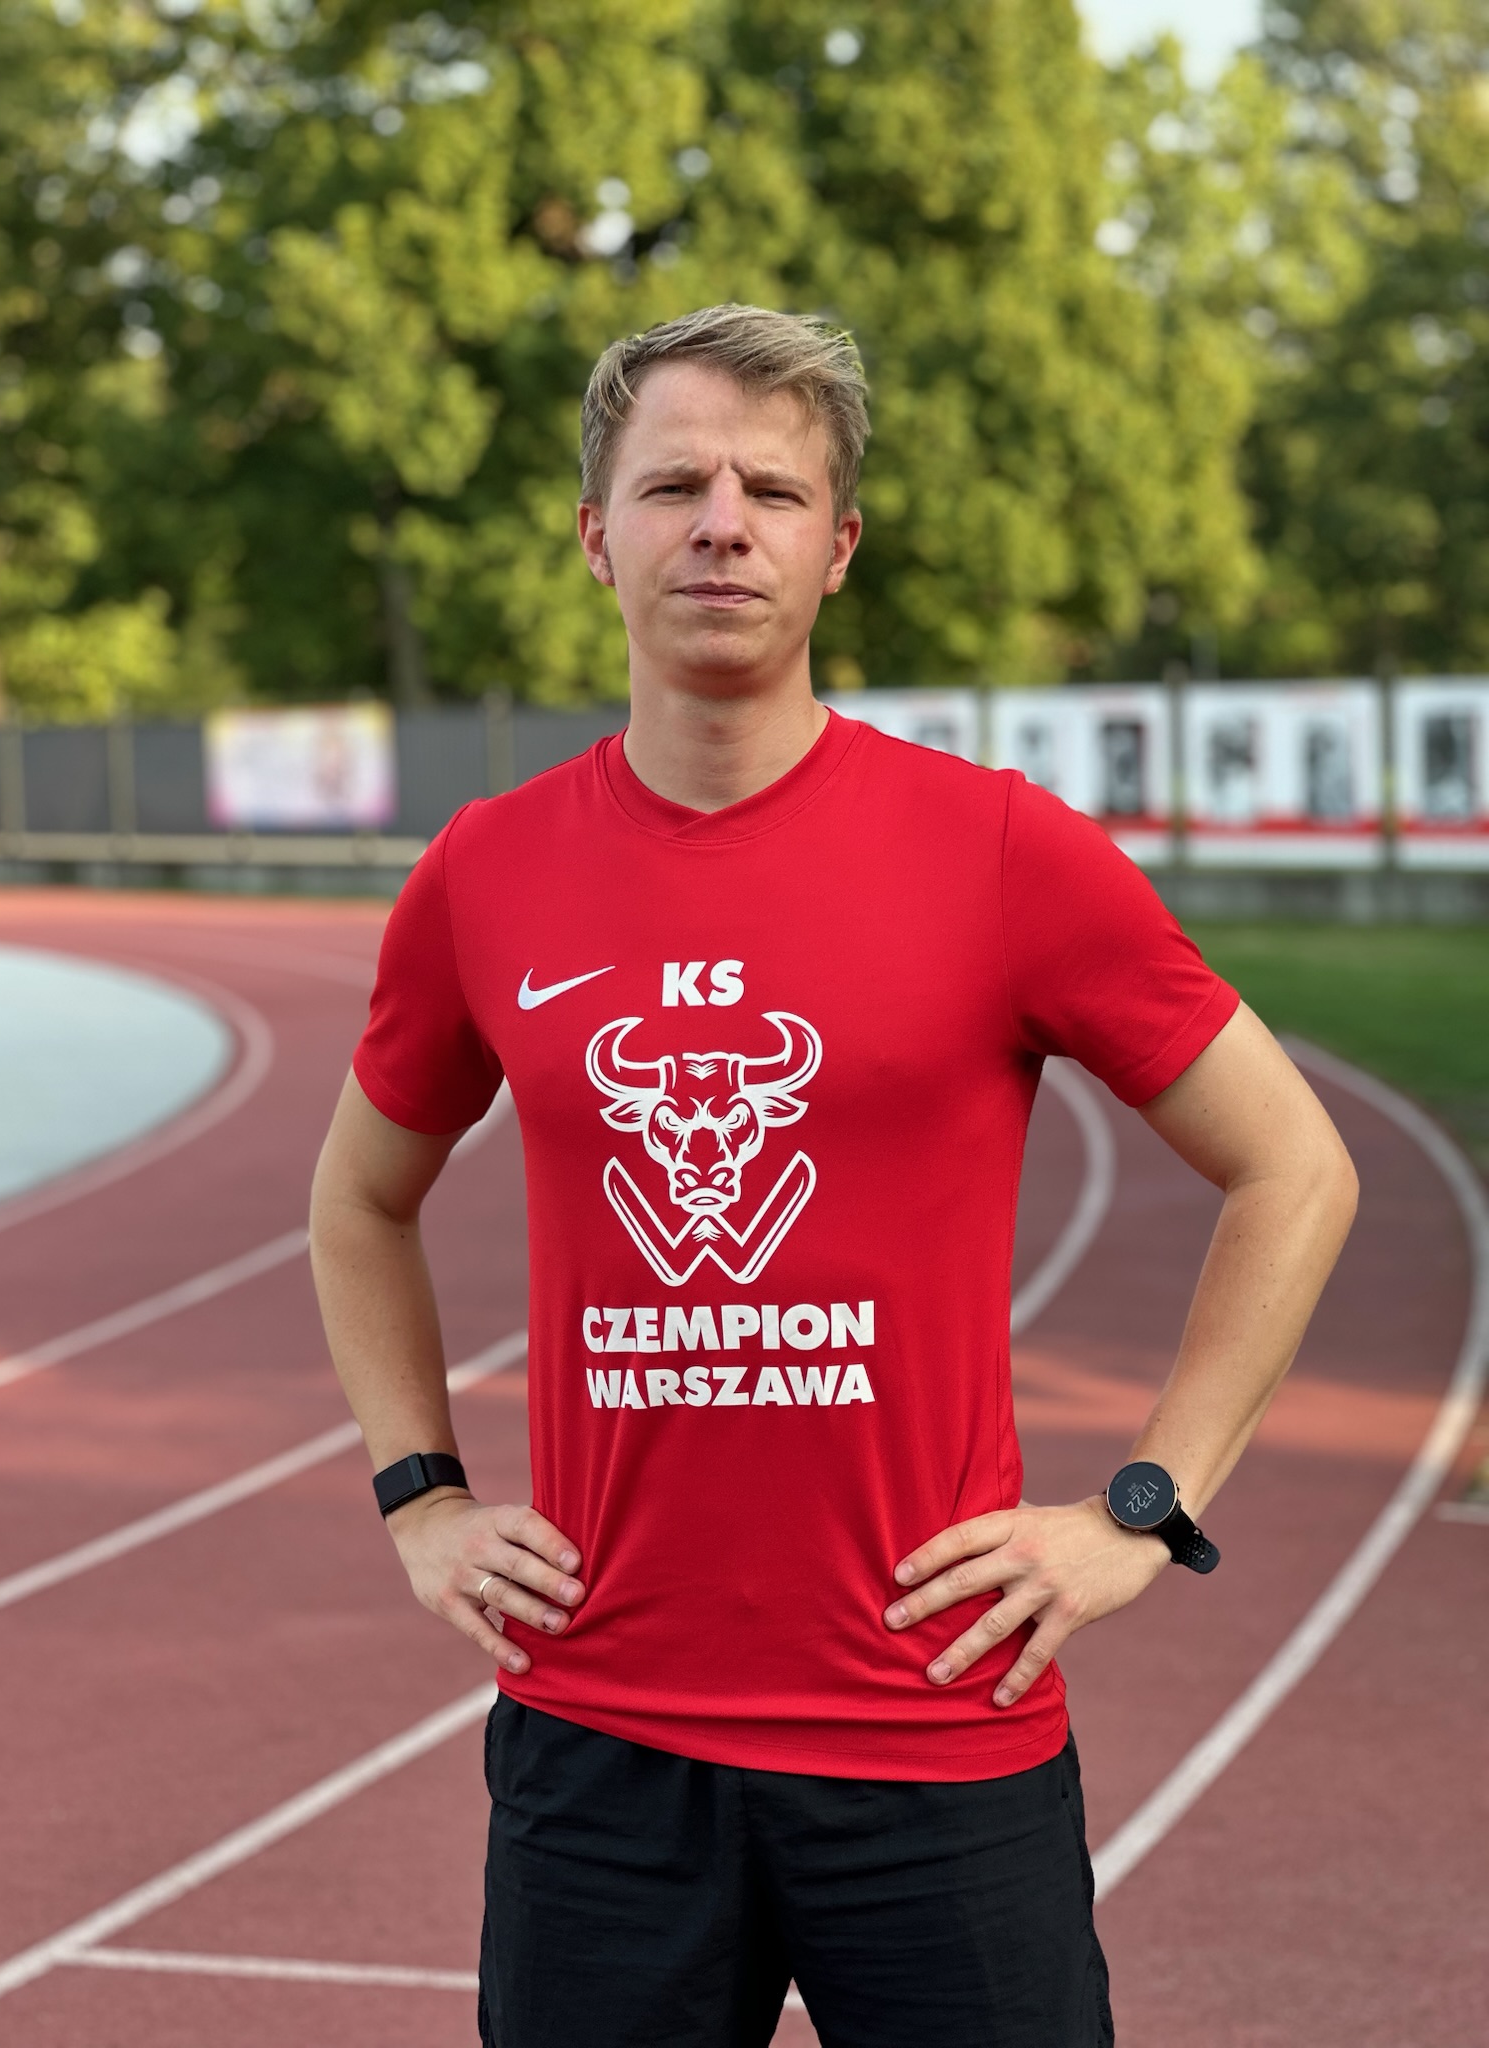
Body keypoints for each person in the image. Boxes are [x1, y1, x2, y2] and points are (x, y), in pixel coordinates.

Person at [309, 303, 1358, 2048]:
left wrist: (1143, 1510)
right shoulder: (484, 873)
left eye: (772, 491)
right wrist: (422, 1495)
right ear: (596, 537)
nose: (722, 525)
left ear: (838, 545)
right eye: (673, 487)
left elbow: (1295, 1167)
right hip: (600, 1745)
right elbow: (358, 1199)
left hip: (935, 1730)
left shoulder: (1001, 850)